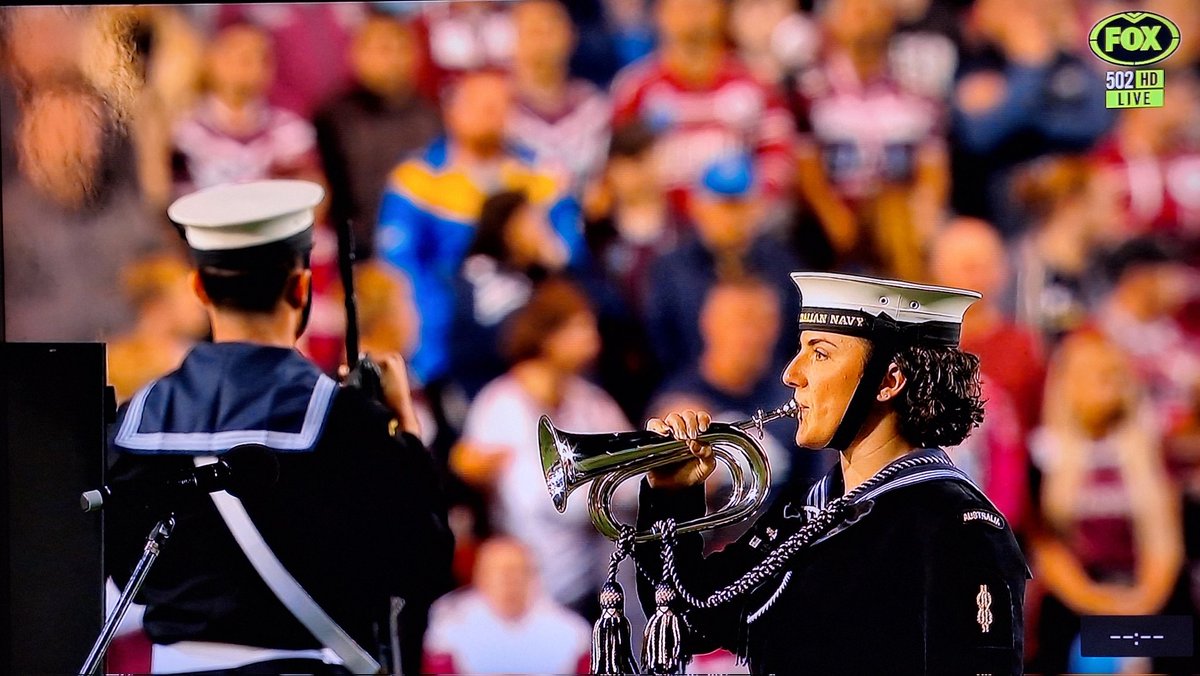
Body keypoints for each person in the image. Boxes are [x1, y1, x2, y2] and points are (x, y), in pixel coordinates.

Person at [104, 180, 454, 675]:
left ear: (201, 289)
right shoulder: (348, 420)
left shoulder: (136, 418)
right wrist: (406, 434)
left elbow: (119, 566)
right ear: (302, 288)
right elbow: (422, 562)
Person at [633, 272, 1029, 674]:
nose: (792, 373)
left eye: (819, 354)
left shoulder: (960, 527)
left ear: (888, 381)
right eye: (800, 349)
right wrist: (671, 496)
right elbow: (684, 616)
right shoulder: (804, 513)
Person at [375, 69, 585, 386]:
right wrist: (430, 347)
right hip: (448, 334)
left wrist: (543, 249)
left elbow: (569, 252)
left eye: (501, 105)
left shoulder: (540, 174)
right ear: (451, 110)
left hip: (530, 329)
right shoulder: (418, 181)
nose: (491, 113)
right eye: (479, 104)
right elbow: (399, 268)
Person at [451, 278, 631, 619]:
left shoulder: (590, 400)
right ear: (549, 335)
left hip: (594, 583)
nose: (593, 338)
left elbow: (635, 475)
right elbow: (544, 499)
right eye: (580, 327)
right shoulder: (500, 404)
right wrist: (608, 485)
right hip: (527, 591)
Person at [1026, 330, 1183, 674]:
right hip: (1076, 600)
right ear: (1064, 383)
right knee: (1084, 650)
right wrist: (1097, 602)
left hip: (1145, 597)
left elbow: (1167, 544)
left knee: (1165, 644)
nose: (1104, 382)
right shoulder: (1042, 453)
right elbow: (1047, 547)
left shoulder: (1153, 452)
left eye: (1112, 372)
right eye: (1089, 373)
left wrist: (1140, 602)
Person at [644, 153, 802, 379]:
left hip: (774, 386)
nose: (731, 217)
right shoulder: (671, 269)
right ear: (698, 206)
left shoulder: (782, 265)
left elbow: (794, 336)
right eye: (722, 206)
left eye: (739, 205)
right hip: (692, 388)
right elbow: (661, 345)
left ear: (758, 206)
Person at [313, 12, 441, 259]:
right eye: (383, 49)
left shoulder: (431, 116)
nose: (394, 59)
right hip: (354, 256)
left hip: (421, 254)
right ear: (357, 54)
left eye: (401, 48)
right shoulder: (333, 118)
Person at [170, 22, 324, 196]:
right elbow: (172, 200)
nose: (252, 67)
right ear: (211, 59)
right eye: (240, 56)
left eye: (262, 58)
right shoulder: (182, 131)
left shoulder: (289, 130)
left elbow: (314, 196)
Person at [422, 536, 592, 675]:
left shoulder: (572, 631)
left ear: (533, 576)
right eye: (498, 573)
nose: (508, 581)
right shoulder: (450, 626)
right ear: (480, 577)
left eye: (516, 572)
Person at [507, 0, 612, 194]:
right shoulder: (497, 106)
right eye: (534, 31)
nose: (543, 42)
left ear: (571, 36)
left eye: (551, 30)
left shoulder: (592, 106)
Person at [107, 253, 209, 403]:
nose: (198, 303)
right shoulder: (111, 365)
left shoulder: (201, 361)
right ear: (157, 304)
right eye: (187, 293)